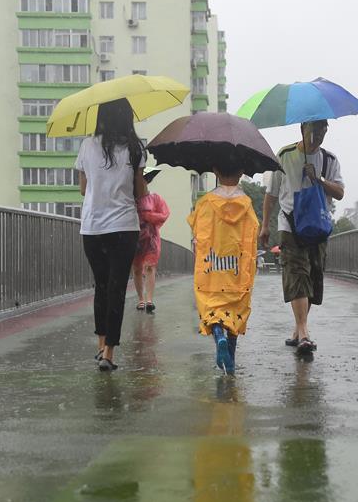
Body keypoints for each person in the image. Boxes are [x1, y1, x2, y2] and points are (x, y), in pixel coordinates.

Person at [260, 120, 344, 356]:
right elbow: (271, 194)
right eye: (314, 131)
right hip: (290, 225)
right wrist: (265, 226)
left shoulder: (329, 160)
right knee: (297, 275)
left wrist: (318, 179)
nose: (318, 136)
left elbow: (339, 192)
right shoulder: (284, 155)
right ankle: (304, 332)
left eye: (323, 131)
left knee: (313, 278)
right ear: (302, 129)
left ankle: (298, 329)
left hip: (318, 226)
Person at [76, 98, 147, 372]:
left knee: (101, 287)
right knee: (117, 289)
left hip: (93, 228)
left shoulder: (87, 145)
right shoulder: (135, 148)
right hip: (124, 227)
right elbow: (140, 192)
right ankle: (109, 353)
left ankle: (101, 342)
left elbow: (83, 189)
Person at [187, 160, 259, 374]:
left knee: (213, 309)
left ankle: (218, 335)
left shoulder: (205, 203)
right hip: (236, 272)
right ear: (241, 172)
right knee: (235, 309)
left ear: (215, 171)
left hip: (212, 272)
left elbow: (195, 229)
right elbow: (252, 235)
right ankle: (232, 359)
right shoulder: (246, 204)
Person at [133, 169, 170, 313]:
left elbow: (164, 214)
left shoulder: (155, 198)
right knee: (136, 269)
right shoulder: (129, 199)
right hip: (134, 238)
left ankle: (149, 300)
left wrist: (148, 216)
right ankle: (140, 299)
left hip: (151, 239)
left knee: (150, 267)